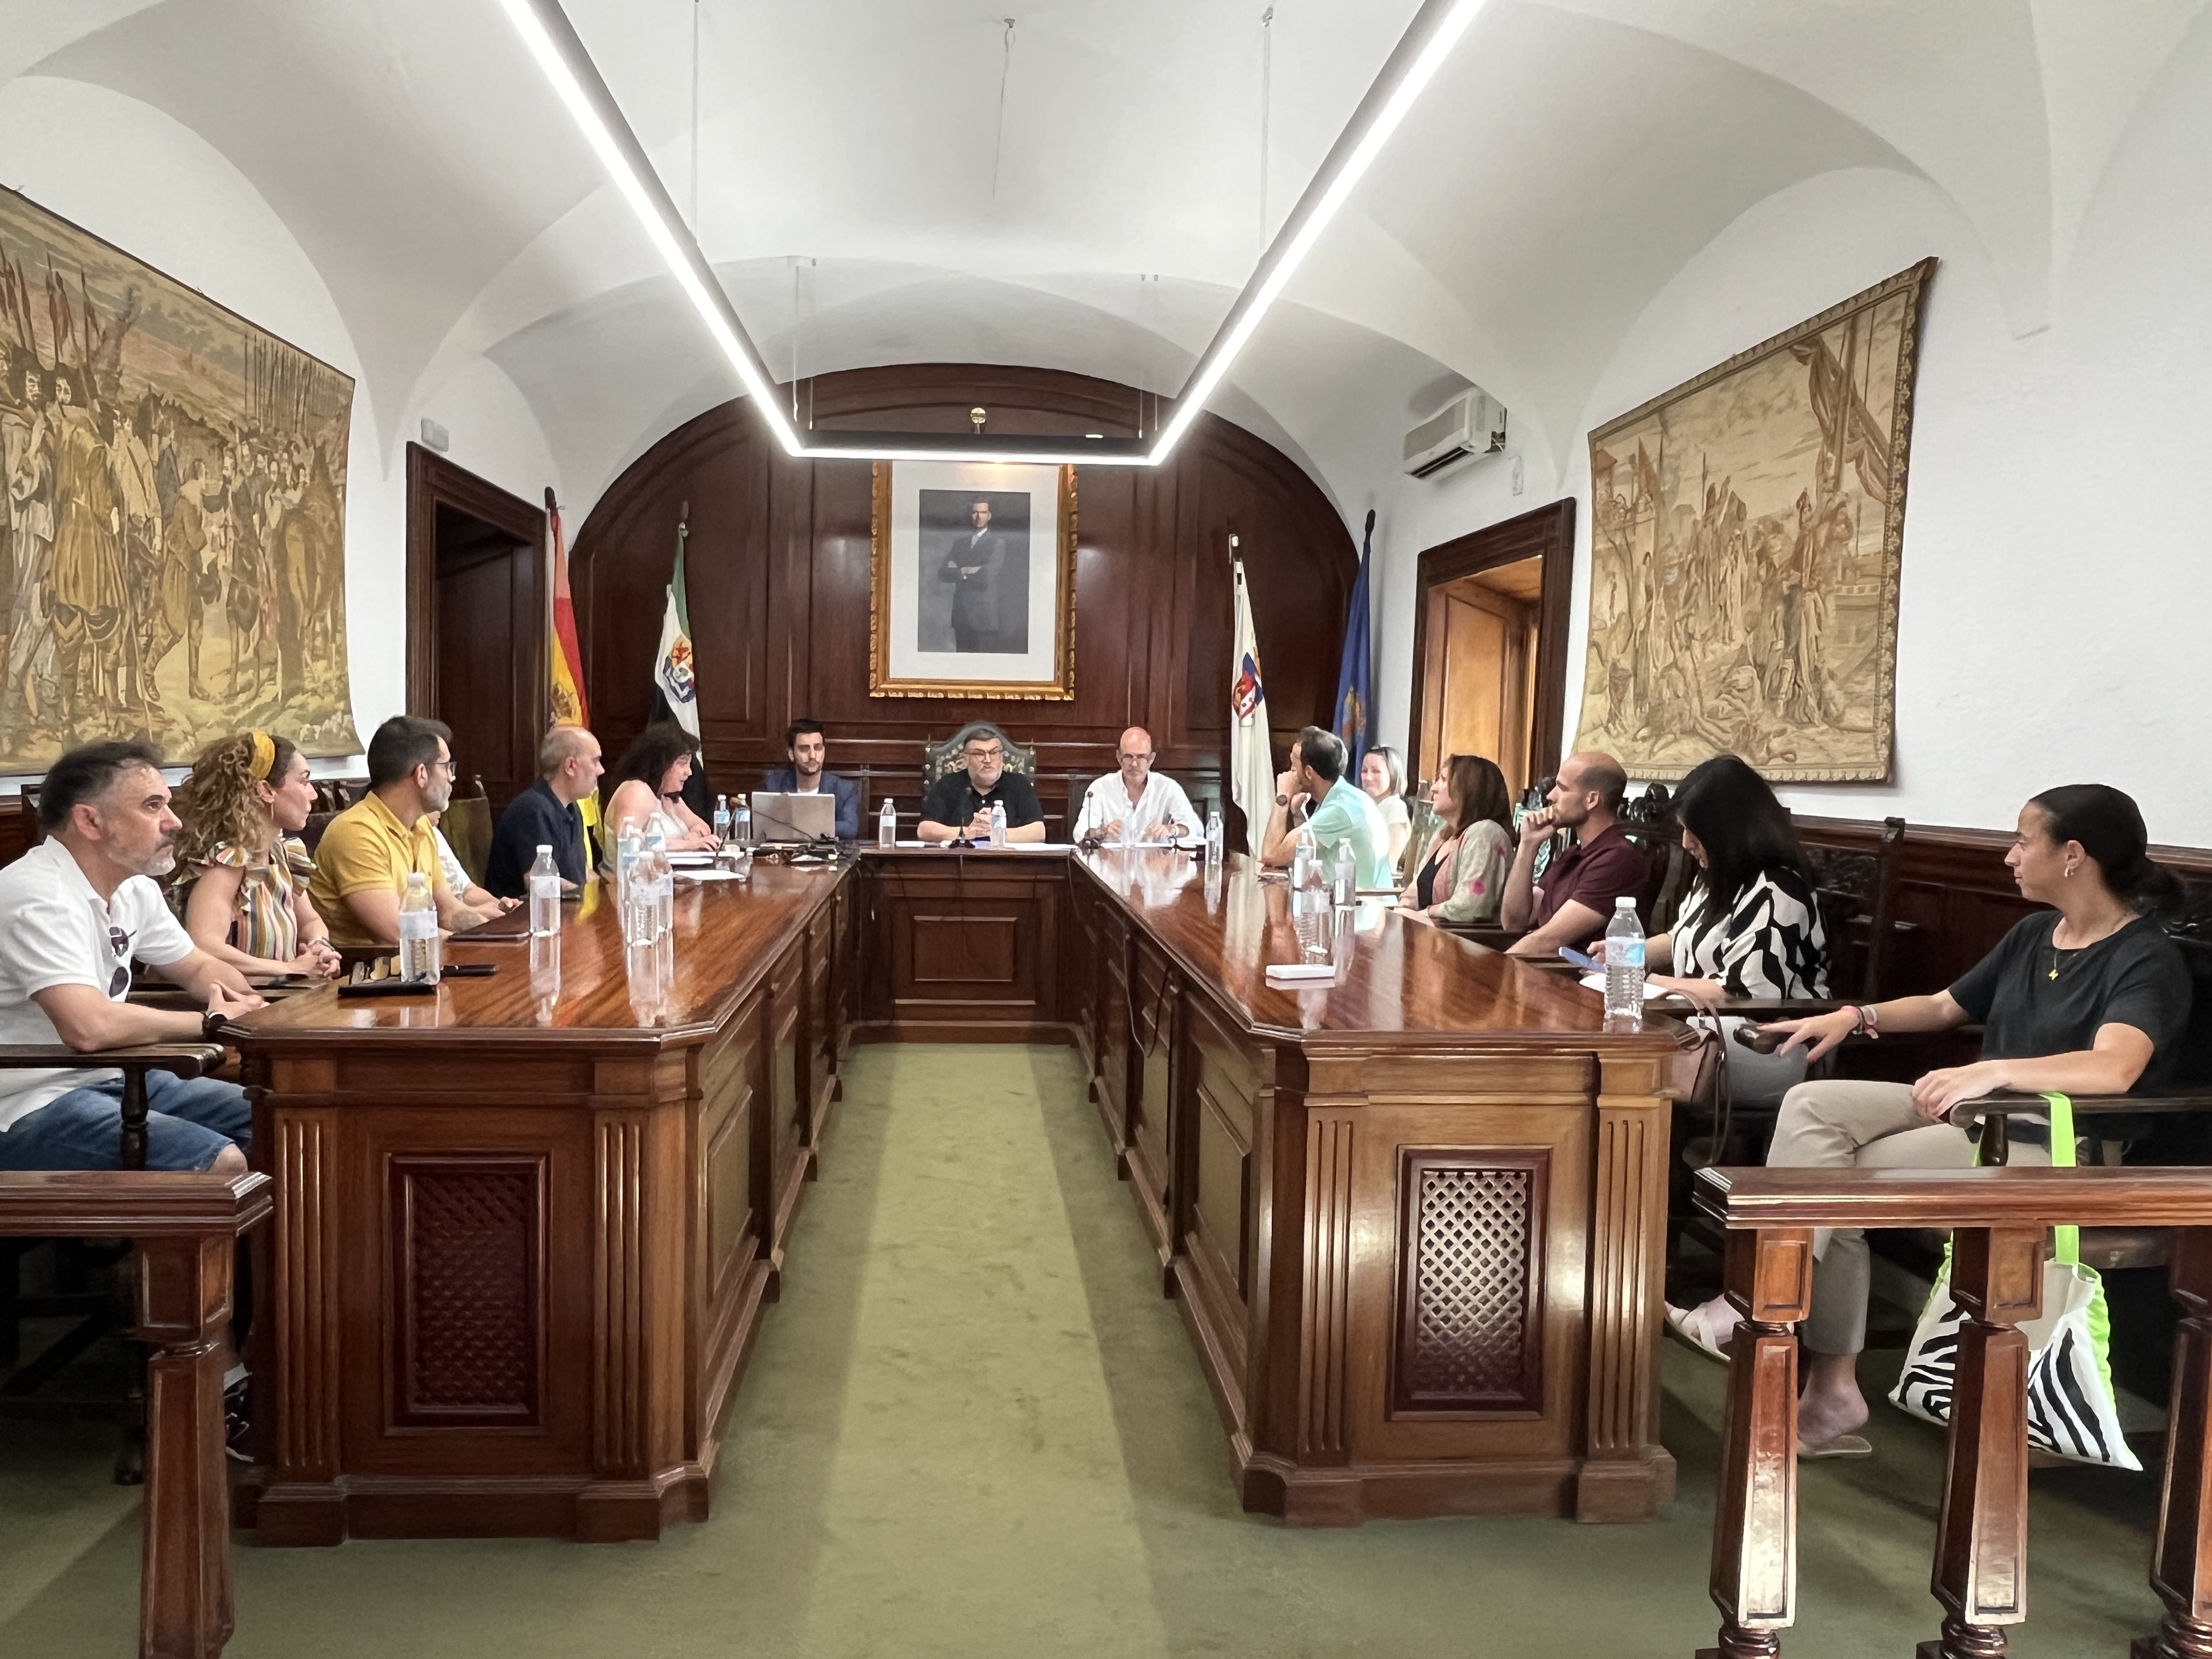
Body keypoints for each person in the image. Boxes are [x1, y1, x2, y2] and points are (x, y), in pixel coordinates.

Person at [1665, 783, 2191, 1458]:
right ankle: (1789, 1332)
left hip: (2059, 1145)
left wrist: (1996, 1072)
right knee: (1812, 1106)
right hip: (1985, 1121)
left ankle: (1786, 1336)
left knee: (1835, 1186)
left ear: (2073, 856)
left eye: (2023, 841)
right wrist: (1854, 1017)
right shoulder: (2036, 934)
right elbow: (1945, 1006)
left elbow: (2113, 1068)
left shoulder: (2144, 956)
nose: (2009, 856)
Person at [0, 741, 264, 1173]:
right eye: (153, 806)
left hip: (118, 1075)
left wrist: (251, 1007)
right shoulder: (37, 895)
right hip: (27, 1101)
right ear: (90, 820)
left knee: (283, 1121)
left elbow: (197, 967)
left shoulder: (135, 887)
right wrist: (209, 1023)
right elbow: (89, 1028)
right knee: (221, 1162)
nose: (174, 822)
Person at [1594, 754, 1828, 1103]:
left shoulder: (1777, 890)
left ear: (1727, 833)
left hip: (1767, 1042)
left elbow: (1740, 995)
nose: (1685, 843)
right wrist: (1624, 954)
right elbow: (1682, 939)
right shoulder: (1718, 876)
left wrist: (1643, 982)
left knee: (1621, 1053)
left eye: (1694, 832)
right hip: (1699, 1024)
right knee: (1605, 1033)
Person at [171, 729, 342, 981]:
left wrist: (320, 947)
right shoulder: (228, 862)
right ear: (266, 791)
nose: (314, 795)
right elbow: (205, 945)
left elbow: (310, 922)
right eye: (304, 782)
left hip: (281, 996)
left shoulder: (283, 853)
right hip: (241, 999)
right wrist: (290, 968)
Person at [307, 715, 487, 947]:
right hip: (366, 966)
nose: (452, 777)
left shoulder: (422, 825)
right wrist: (473, 947)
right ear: (422, 774)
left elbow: (450, 911)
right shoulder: (356, 832)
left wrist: (495, 935)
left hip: (418, 959)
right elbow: (398, 931)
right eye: (446, 767)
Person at [1499, 750, 1647, 958]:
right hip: (1539, 968)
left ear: (1592, 799)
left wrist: (1498, 969)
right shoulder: (1573, 854)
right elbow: (1514, 923)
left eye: (1562, 788)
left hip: (1573, 975)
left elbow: (1550, 941)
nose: (1550, 796)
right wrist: (1528, 846)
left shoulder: (1618, 859)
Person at [1259, 726, 1392, 890]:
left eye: (1294, 766)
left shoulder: (1341, 809)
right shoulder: (1341, 797)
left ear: (1309, 772)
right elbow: (1308, 851)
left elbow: (1271, 856)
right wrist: (1299, 815)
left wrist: (1283, 797)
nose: (1289, 773)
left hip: (1364, 904)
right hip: (1345, 899)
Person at [1396, 754, 1514, 927]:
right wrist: (1402, 911)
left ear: (1469, 788)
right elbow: (1413, 894)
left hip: (1465, 940)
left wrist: (1420, 916)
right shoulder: (1442, 836)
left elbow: (1471, 907)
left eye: (1443, 780)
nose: (1433, 789)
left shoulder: (1486, 833)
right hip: (1427, 934)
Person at [487, 726, 602, 896]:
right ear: (570, 766)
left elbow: (580, 871)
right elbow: (538, 881)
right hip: (524, 912)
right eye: (595, 761)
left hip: (565, 909)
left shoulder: (572, 807)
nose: (601, 770)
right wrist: (584, 896)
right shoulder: (533, 809)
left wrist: (604, 895)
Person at [602, 723, 721, 853]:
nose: (689, 772)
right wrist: (689, 844)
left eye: (689, 764)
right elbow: (630, 843)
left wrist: (694, 835)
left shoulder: (669, 797)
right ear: (660, 765)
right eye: (682, 764)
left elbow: (703, 828)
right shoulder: (637, 791)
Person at [918, 727, 1046, 843]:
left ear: (1002, 757)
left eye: (994, 752)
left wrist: (994, 832)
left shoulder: (1018, 784)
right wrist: (967, 832)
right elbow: (924, 830)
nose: (988, 760)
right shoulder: (948, 784)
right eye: (979, 754)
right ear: (965, 759)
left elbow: (1038, 832)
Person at [1071, 726, 1197, 844]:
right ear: (1119, 757)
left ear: (1151, 759)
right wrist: (1103, 831)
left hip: (1155, 859)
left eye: (1141, 757)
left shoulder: (1168, 788)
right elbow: (1080, 834)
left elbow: (1194, 829)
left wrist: (1172, 830)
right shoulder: (1099, 788)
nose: (1134, 764)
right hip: (1111, 859)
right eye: (1129, 757)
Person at [760, 718, 862, 840]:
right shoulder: (773, 785)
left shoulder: (844, 789)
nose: (812, 756)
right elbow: (761, 825)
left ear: (824, 751)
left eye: (817, 748)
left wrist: (802, 825)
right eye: (804, 749)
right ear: (792, 754)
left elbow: (850, 828)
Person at [938, 497, 1013, 652]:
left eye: (983, 512)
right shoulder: (960, 544)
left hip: (984, 617)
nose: (979, 517)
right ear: (970, 515)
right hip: (961, 616)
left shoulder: (997, 543)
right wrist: (967, 570)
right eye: (975, 512)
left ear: (989, 516)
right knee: (962, 663)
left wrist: (959, 570)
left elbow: (985, 577)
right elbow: (943, 572)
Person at [426, 811, 515, 919]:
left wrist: (499, 905)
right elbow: (445, 914)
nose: (443, 808)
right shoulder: (413, 839)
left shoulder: (434, 833)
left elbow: (466, 890)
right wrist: (479, 912)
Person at [1360, 746, 1412, 872]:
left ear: (1393, 775)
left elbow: (1389, 862)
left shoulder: (1396, 807)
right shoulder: (1366, 806)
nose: (1368, 777)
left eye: (1376, 771)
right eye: (1364, 771)